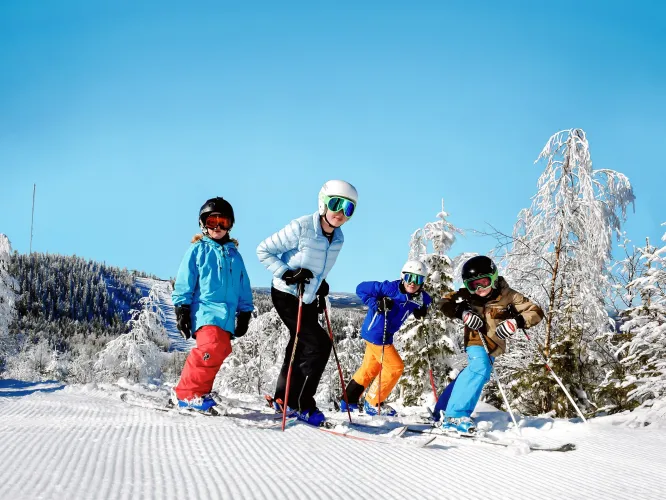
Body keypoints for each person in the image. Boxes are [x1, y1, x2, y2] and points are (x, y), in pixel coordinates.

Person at [256, 180, 358, 426]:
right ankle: (302, 403)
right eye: (336, 204)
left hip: (308, 297)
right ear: (323, 202)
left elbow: (318, 266)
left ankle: (283, 397)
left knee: (299, 346)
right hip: (287, 294)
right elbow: (263, 250)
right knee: (319, 344)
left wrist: (320, 283)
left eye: (349, 208)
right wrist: (287, 273)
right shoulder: (301, 227)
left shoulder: (338, 238)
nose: (341, 213)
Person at [432, 255, 544, 434]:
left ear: (493, 277)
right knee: (479, 368)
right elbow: (444, 302)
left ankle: (441, 411)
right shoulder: (467, 295)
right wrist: (461, 311)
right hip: (476, 340)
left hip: (494, 345)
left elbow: (536, 311)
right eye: (473, 285)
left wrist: (516, 321)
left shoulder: (509, 295)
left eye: (484, 282)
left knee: (476, 374)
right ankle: (455, 415)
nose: (480, 289)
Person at [171, 197, 254, 412]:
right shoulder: (198, 250)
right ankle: (187, 394)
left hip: (226, 315)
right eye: (212, 222)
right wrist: (182, 308)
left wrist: (245, 311)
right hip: (205, 310)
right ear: (203, 224)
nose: (217, 227)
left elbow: (244, 284)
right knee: (210, 348)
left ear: (230, 225)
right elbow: (184, 279)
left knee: (222, 349)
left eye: (223, 222)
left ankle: (201, 391)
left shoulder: (235, 255)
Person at [342, 260, 432, 416]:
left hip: (386, 335)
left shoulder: (419, 296)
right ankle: (372, 403)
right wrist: (376, 303)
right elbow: (361, 288)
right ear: (403, 277)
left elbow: (427, 301)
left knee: (370, 369)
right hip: (376, 333)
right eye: (409, 277)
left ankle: (348, 400)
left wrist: (422, 309)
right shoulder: (389, 288)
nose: (412, 283)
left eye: (418, 279)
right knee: (395, 367)